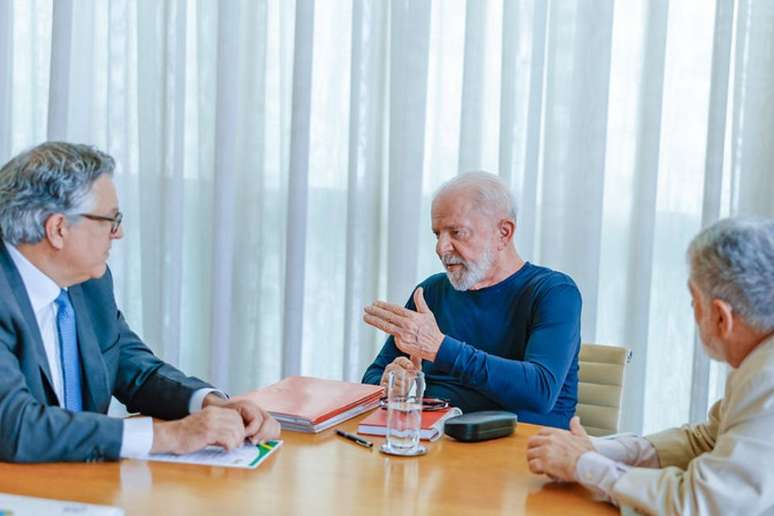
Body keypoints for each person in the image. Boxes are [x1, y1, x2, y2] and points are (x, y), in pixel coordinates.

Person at [0, 142, 280, 463]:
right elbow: (15, 426)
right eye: (110, 219)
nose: (117, 234)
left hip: (80, 485)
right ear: (58, 229)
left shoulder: (89, 281)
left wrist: (210, 404)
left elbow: (134, 370)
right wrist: (169, 436)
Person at [527, 217, 774, 515]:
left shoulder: (766, 379)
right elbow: (706, 440)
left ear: (722, 317)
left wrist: (585, 465)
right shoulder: (759, 363)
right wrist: (599, 449)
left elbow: (702, 504)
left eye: (694, 301)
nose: (692, 313)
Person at [361, 172, 581, 428]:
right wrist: (389, 381)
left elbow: (540, 391)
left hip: (521, 450)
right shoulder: (430, 291)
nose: (441, 248)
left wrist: (440, 348)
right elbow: (372, 376)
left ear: (504, 233)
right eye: (437, 234)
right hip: (435, 443)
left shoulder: (554, 292)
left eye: (457, 232)